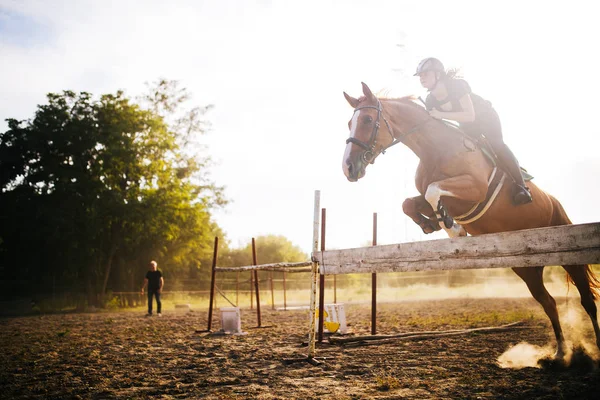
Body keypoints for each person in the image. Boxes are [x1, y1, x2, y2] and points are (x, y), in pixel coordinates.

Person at [414, 57, 532, 205]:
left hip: (486, 118)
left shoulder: (456, 86)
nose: (422, 78)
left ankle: (522, 187)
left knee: (497, 145)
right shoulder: (430, 99)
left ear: (438, 75)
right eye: (420, 75)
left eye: (426, 74)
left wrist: (440, 115)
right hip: (467, 125)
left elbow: (470, 115)